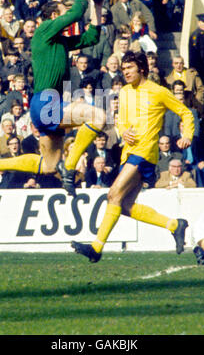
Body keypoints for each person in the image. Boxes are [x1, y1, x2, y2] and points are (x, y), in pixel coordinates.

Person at [0, 0, 105, 198]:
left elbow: (92, 37)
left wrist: (98, 4)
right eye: (63, 12)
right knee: (99, 117)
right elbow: (76, 13)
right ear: (54, 16)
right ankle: (70, 166)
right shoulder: (44, 30)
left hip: (45, 105)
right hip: (46, 103)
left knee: (47, 166)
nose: (68, 15)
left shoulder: (60, 40)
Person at [71, 50, 194, 263]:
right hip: (128, 154)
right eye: (123, 68)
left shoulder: (158, 91)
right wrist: (123, 129)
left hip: (144, 152)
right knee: (124, 205)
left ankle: (96, 247)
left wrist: (187, 135)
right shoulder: (126, 91)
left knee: (113, 194)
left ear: (142, 69)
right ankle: (175, 225)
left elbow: (186, 112)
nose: (125, 72)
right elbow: (121, 120)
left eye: (129, 68)